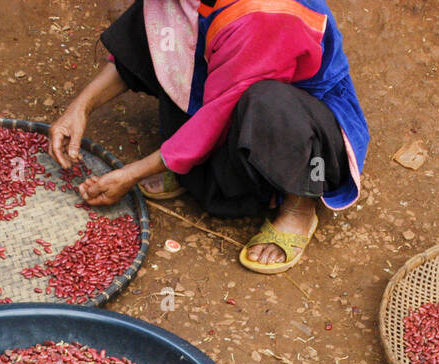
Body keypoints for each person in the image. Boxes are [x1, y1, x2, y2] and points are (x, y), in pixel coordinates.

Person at [47, 0, 368, 275]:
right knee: (160, 11)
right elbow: (154, 36)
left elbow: (221, 113)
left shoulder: (265, 12)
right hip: (228, 82)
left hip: (305, 133)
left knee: (267, 103)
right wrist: (81, 107)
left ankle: (300, 207)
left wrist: (132, 174)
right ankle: (184, 162)